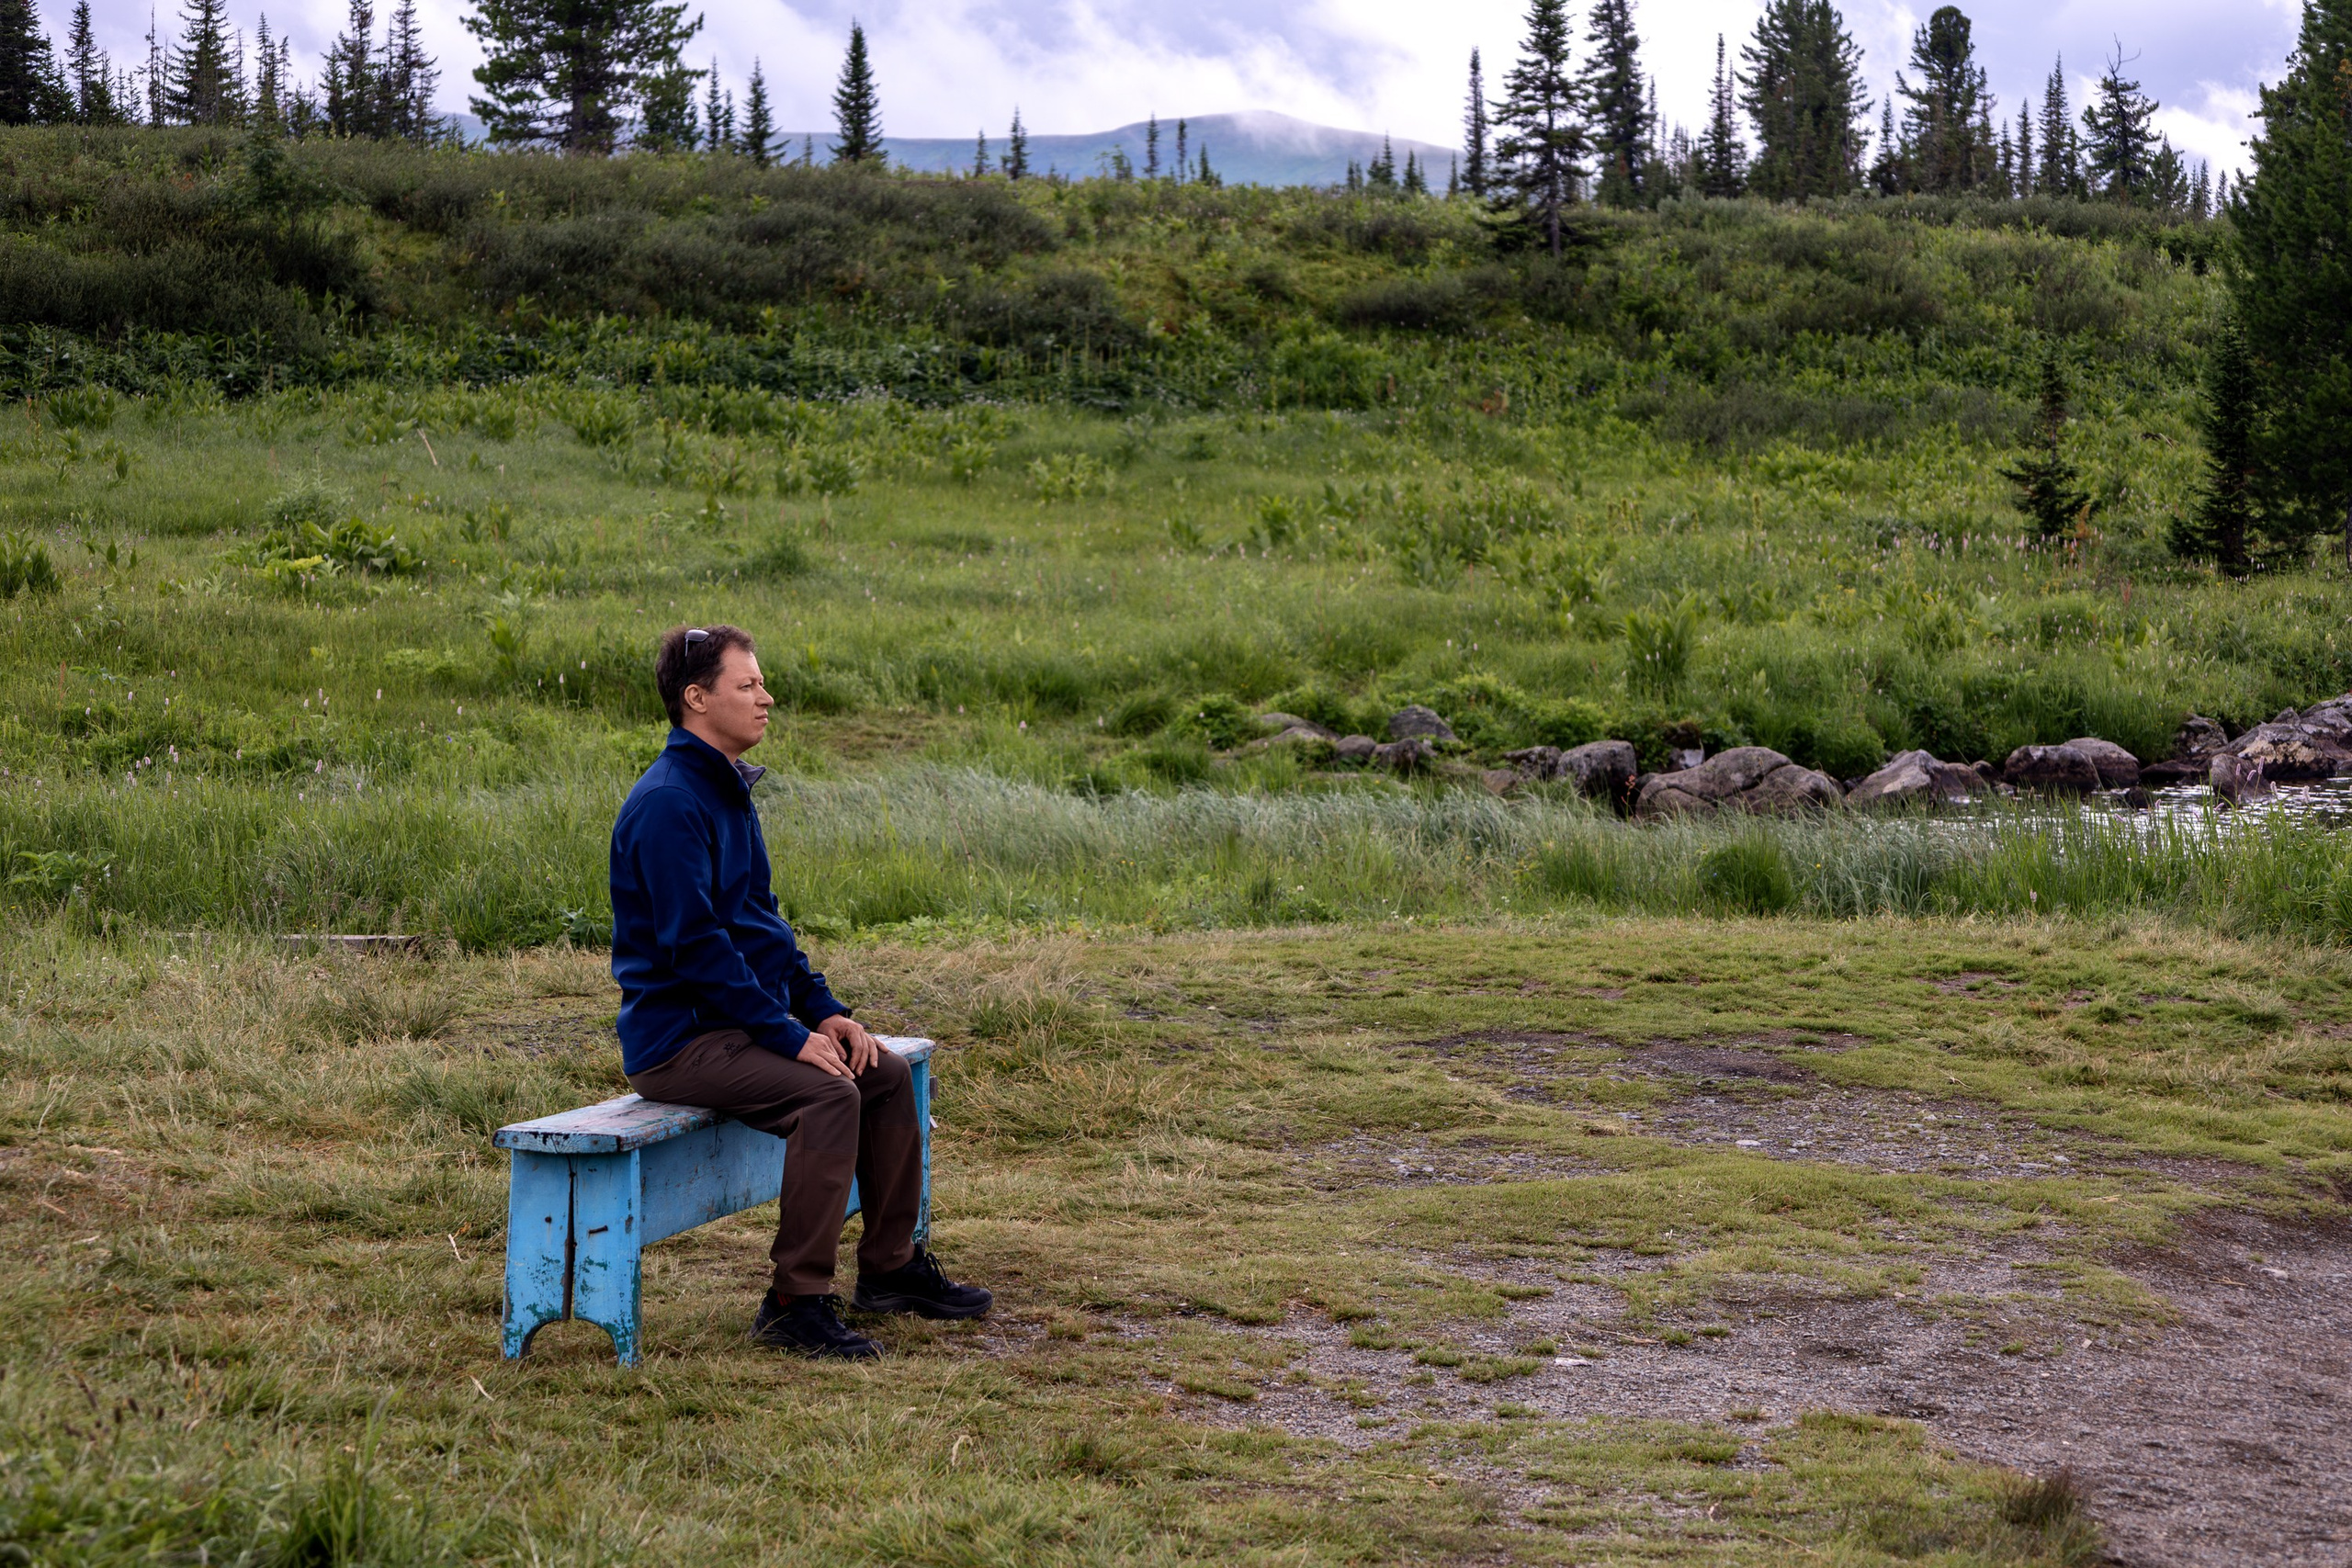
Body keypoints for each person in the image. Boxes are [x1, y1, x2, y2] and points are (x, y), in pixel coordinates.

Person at [608, 624, 991, 1359]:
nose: (767, 697)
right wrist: (787, 1035)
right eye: (748, 684)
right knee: (827, 1093)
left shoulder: (726, 789)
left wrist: (822, 1010)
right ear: (697, 698)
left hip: (733, 1025)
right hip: (679, 1040)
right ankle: (794, 1301)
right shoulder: (668, 803)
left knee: (882, 1072)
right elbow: (696, 948)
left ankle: (891, 1269)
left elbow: (762, 927)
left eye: (761, 683)